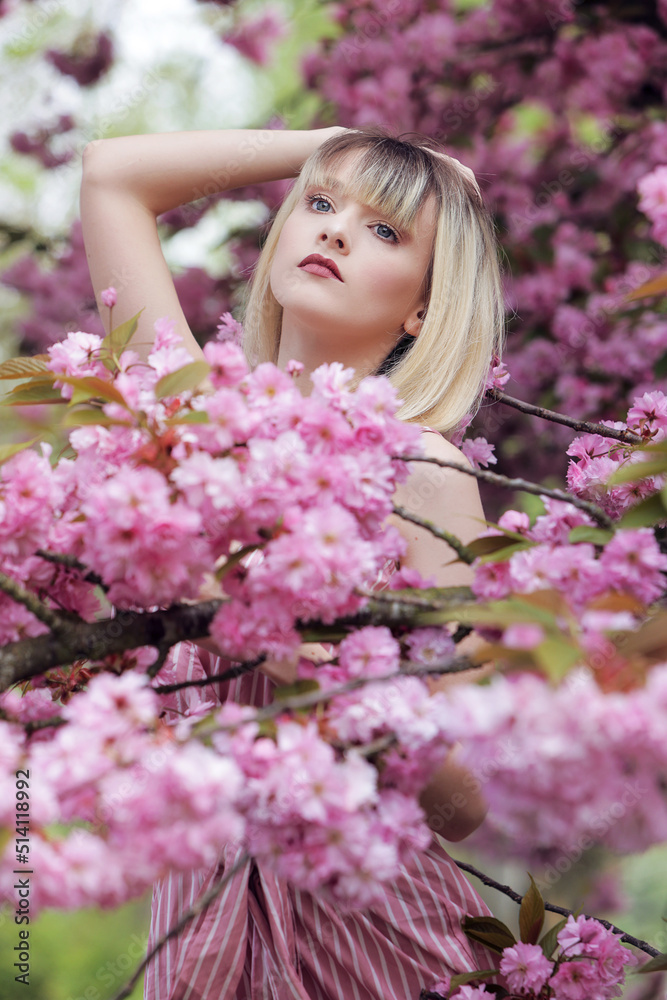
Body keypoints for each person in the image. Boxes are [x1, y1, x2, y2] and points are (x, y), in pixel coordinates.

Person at [80, 124, 505, 999]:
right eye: (319, 205)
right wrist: (337, 142)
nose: (336, 231)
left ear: (423, 308)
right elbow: (112, 174)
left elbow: (465, 805)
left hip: (374, 940)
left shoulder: (421, 468)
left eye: (385, 230)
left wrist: (312, 658)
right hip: (204, 928)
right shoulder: (194, 425)